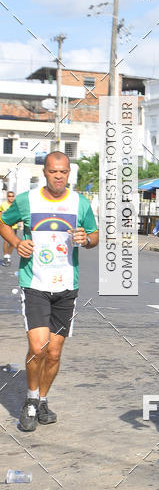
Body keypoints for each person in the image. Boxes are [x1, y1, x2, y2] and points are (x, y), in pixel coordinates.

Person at [0, 152, 99, 432]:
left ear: (69, 174)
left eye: (64, 172)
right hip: (35, 282)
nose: (59, 176)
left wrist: (86, 239)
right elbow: (3, 222)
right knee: (37, 347)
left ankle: (43, 401)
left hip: (67, 285)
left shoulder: (80, 203)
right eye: (54, 171)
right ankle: (30, 400)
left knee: (53, 353)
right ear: (45, 172)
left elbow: (94, 235)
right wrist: (17, 242)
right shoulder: (27, 200)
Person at [0, 190, 18, 264]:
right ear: (7, 197)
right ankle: (5, 256)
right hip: (6, 226)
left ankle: (8, 256)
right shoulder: (3, 204)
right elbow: (0, 212)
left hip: (14, 226)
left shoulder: (16, 204)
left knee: (12, 243)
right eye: (9, 196)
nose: (11, 197)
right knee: (6, 241)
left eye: (12, 196)